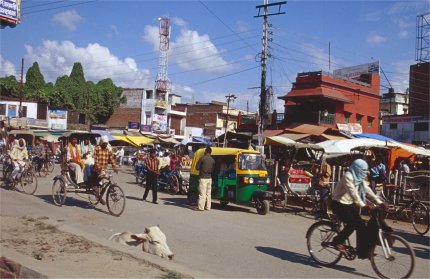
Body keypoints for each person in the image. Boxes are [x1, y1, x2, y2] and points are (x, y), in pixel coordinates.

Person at [331, 159, 385, 259]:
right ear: (357, 169)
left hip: (350, 204)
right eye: (363, 170)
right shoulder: (348, 176)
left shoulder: (359, 178)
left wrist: (379, 202)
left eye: (366, 171)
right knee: (352, 223)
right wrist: (363, 205)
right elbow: (353, 192)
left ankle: (363, 251)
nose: (365, 173)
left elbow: (367, 190)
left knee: (361, 225)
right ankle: (337, 241)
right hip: (339, 203)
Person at [195, 147, 215, 211]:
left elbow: (197, 167)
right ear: (210, 152)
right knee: (208, 194)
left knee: (202, 193)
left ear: (205, 151)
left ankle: (201, 207)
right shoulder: (213, 160)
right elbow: (213, 169)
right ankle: (208, 207)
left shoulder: (202, 158)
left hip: (203, 177)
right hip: (209, 178)